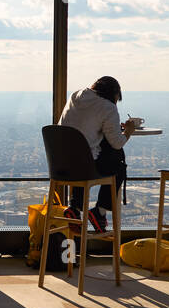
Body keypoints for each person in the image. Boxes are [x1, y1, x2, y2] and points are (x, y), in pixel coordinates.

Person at [57, 76, 142, 232]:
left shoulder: (75, 95)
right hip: (84, 166)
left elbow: (85, 126)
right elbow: (116, 143)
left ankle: (75, 208)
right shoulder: (108, 107)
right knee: (118, 163)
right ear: (113, 95)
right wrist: (128, 131)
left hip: (60, 163)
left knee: (86, 152)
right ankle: (100, 211)